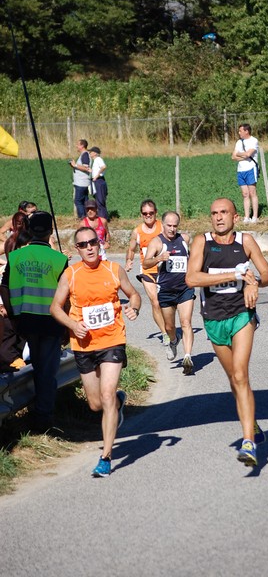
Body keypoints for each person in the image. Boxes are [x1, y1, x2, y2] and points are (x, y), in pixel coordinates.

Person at [186, 198, 268, 467]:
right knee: (234, 380)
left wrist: (254, 283)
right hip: (213, 319)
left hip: (241, 316)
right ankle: (254, 425)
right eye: (214, 213)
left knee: (240, 374)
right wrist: (234, 277)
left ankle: (247, 442)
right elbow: (192, 278)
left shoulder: (245, 241)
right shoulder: (202, 242)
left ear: (235, 217)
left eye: (224, 212)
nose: (218, 217)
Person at [50, 226, 141, 477]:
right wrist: (72, 324)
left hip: (112, 340)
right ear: (77, 249)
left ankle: (106, 457)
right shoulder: (71, 274)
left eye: (93, 242)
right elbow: (55, 308)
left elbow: (133, 295)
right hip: (83, 344)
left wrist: (134, 307)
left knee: (107, 394)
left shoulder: (114, 270)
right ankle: (119, 401)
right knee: (95, 404)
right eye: (83, 244)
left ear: (99, 243)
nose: (89, 247)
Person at [0, 211, 68, 432]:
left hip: (23, 323)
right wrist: (67, 326)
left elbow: (4, 287)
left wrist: (12, 315)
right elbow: (67, 296)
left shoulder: (16, 257)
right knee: (47, 372)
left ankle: (36, 412)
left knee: (37, 368)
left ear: (29, 230)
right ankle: (43, 420)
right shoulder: (60, 260)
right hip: (50, 323)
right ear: (50, 232)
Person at [143, 211, 195, 375]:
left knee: (186, 322)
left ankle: (187, 356)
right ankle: (173, 340)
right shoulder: (157, 242)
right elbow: (145, 263)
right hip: (166, 290)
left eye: (175, 226)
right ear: (163, 225)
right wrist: (159, 258)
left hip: (185, 288)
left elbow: (192, 257)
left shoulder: (185, 239)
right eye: (169, 225)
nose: (172, 229)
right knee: (170, 326)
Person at [125, 199, 168, 347]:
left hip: (164, 270)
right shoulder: (137, 231)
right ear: (141, 214)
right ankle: (164, 333)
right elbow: (131, 249)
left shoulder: (163, 227)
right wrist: (129, 261)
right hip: (147, 271)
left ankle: (170, 327)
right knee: (155, 302)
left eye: (151, 213)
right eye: (145, 213)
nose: (148, 215)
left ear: (156, 213)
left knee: (166, 303)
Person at [231, 123, 260, 224]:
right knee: (245, 194)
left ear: (246, 131)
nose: (239, 133)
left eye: (240, 131)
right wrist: (243, 155)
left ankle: (255, 216)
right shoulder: (239, 142)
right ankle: (247, 217)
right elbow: (233, 157)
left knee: (252, 193)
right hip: (241, 170)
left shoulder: (254, 141)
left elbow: (249, 154)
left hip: (251, 169)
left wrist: (239, 153)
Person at [69, 139, 91, 219]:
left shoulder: (85, 155)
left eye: (78, 145)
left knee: (78, 201)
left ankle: (82, 218)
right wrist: (74, 166)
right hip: (84, 182)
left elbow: (86, 168)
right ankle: (87, 217)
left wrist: (75, 165)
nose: (76, 146)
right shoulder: (84, 154)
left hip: (81, 183)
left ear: (82, 146)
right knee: (85, 201)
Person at [88, 146, 108, 220]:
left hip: (99, 181)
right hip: (97, 181)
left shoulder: (98, 159)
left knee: (100, 201)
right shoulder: (95, 161)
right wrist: (91, 171)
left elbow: (104, 167)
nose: (89, 153)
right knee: (98, 200)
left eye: (91, 152)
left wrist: (96, 176)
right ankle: (102, 217)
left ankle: (103, 219)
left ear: (95, 153)